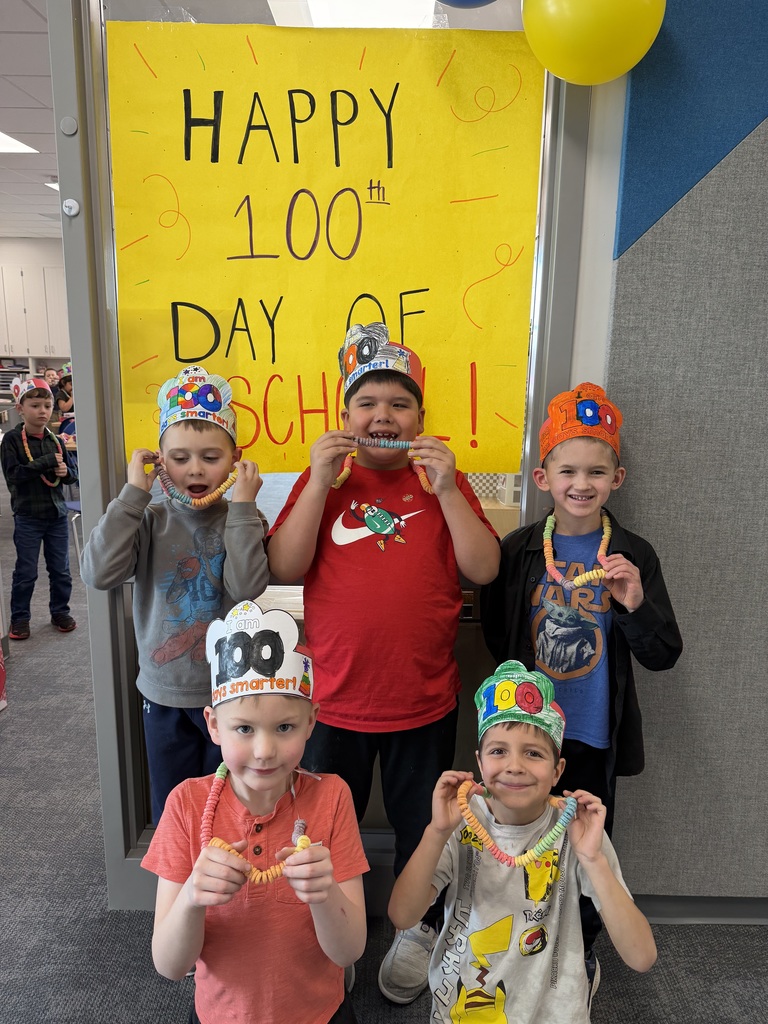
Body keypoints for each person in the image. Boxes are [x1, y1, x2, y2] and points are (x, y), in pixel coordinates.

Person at [267, 323, 500, 1003]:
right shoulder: (328, 486)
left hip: (422, 701)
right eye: (367, 402)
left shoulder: (440, 486)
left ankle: (418, 928)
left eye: (400, 404)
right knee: (320, 828)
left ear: (422, 419)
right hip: (330, 702)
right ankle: (323, 935)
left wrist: (451, 489)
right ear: (345, 418)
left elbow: (482, 569)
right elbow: (284, 564)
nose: (383, 416)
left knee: (421, 827)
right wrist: (316, 482)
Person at [480, 381, 681, 995]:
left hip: (594, 737)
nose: (582, 483)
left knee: (589, 850)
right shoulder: (517, 552)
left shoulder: (632, 555)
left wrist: (634, 606)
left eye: (597, 471)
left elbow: (663, 654)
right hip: (526, 740)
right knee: (516, 842)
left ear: (617, 478)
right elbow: (496, 636)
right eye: (568, 469)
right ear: (543, 476)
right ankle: (517, 944)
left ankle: (580, 952)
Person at [388, 660, 657, 1024]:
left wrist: (592, 858)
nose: (514, 765)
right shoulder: (460, 821)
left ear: (557, 770)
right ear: (480, 764)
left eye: (533, 753)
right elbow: (403, 915)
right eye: (499, 751)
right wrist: (435, 832)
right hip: (464, 1005)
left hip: (551, 1011)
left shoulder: (576, 832)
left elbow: (641, 957)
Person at [142, 601, 368, 1024]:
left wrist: (325, 894)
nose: (264, 752)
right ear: (213, 725)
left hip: (321, 1014)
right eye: (244, 729)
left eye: (285, 728)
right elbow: (170, 966)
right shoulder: (186, 806)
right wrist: (192, 897)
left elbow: (349, 950)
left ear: (311, 722)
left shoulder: (333, 797)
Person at [81, 365, 270, 823]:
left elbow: (246, 591)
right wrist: (132, 495)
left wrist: (242, 506)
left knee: (228, 808)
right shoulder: (148, 518)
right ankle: (179, 892)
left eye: (211, 456)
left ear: (235, 459)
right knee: (174, 808)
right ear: (160, 461)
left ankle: (228, 893)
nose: (197, 469)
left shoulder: (244, 518)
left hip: (230, 693)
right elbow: (99, 572)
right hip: (164, 693)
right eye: (180, 458)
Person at [1, 376, 78, 639]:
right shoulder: (11, 440)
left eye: (46, 406)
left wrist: (65, 471)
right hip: (28, 517)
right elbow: (14, 475)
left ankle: (60, 611)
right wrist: (46, 463)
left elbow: (72, 476)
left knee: (61, 571)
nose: (42, 411)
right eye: (34, 405)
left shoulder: (56, 441)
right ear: (20, 408)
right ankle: (19, 619)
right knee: (26, 572)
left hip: (56, 516)